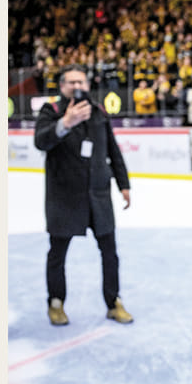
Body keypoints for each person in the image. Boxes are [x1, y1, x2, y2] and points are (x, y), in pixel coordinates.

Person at [33, 64, 134, 326]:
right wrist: (66, 123)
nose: (77, 87)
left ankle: (114, 302)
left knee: (110, 253)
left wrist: (124, 184)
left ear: (88, 85)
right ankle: (56, 303)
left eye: (81, 82)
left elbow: (113, 150)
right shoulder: (51, 111)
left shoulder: (99, 112)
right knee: (58, 253)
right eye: (71, 83)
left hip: (98, 196)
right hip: (64, 198)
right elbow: (41, 141)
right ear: (62, 86)